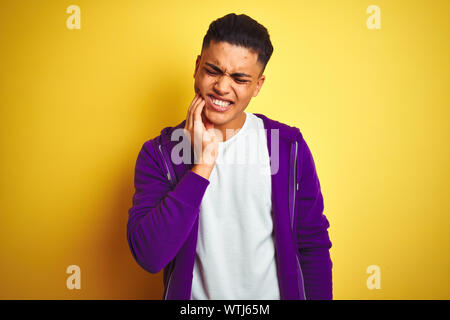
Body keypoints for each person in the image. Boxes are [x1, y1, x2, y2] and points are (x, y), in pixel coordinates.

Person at [127, 13, 333, 300]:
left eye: (239, 78)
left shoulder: (286, 146)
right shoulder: (160, 154)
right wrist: (202, 165)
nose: (222, 87)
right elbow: (149, 255)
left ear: (258, 85)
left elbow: (312, 244)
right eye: (213, 70)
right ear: (197, 66)